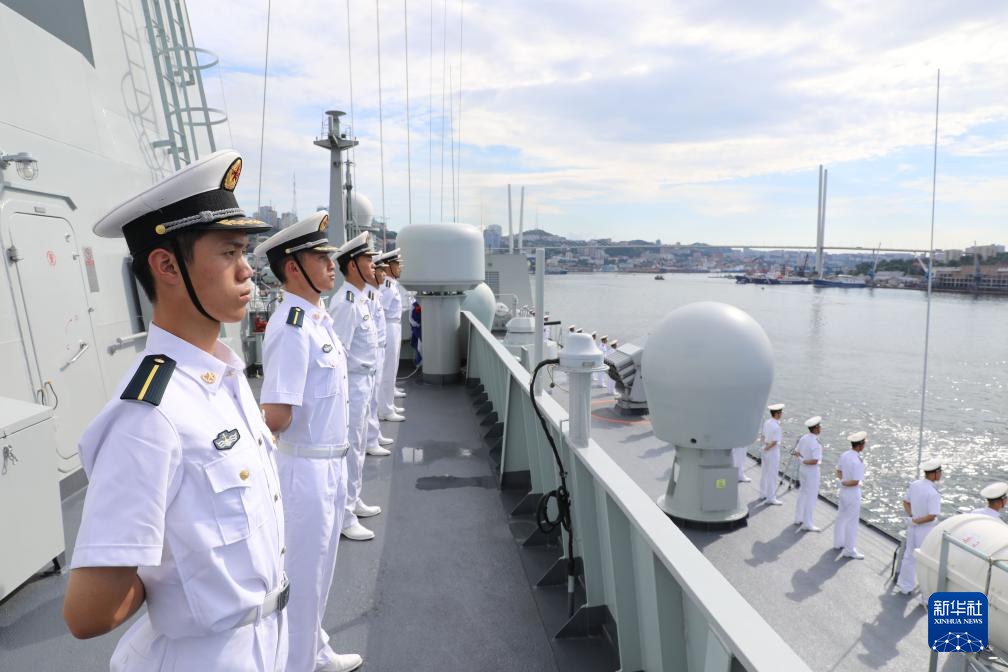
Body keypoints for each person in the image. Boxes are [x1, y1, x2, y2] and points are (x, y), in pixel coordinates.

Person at [62, 151, 289, 671]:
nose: (247, 270)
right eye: (229, 252)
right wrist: (176, 579)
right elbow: (88, 611)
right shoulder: (149, 415)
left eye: (245, 251)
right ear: (166, 266)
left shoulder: (225, 378)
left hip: (266, 642)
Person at [255, 213, 363, 672]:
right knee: (303, 578)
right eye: (321, 258)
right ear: (292, 267)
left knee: (320, 574)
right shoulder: (292, 327)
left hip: (330, 465)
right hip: (305, 472)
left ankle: (314, 651)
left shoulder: (318, 320)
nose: (331, 264)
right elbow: (277, 415)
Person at [327, 232, 382, 542]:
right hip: (354, 384)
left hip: (366, 380)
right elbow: (340, 354)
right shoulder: (346, 303)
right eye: (367, 260)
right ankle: (345, 516)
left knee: (359, 446)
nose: (373, 265)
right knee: (350, 448)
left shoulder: (359, 298)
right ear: (352, 265)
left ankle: (354, 499)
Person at [896, 457, 943, 595]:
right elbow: (932, 516)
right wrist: (916, 520)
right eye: (940, 471)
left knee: (909, 556)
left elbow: (906, 502)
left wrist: (912, 517)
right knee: (925, 561)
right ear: (934, 473)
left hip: (913, 526)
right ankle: (926, 595)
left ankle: (905, 585)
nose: (941, 474)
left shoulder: (915, 484)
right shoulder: (933, 493)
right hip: (926, 529)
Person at [364, 262, 396, 458]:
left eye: (385, 271)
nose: (383, 275)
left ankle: (374, 435)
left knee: (375, 397)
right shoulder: (366, 296)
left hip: (379, 346)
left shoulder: (374, 293)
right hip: (371, 351)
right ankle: (370, 439)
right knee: (371, 397)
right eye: (380, 271)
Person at [376, 249, 406, 415]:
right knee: (388, 367)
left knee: (392, 365)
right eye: (397, 264)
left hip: (394, 325)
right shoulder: (387, 287)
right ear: (389, 267)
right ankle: (385, 409)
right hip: (388, 326)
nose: (400, 268)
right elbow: (381, 311)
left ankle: (389, 400)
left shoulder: (391, 285)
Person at [834, 431, 867, 559]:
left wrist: (841, 482)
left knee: (841, 517)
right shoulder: (858, 460)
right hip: (852, 492)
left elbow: (838, 471)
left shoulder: (845, 455)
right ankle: (849, 550)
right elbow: (855, 481)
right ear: (860, 445)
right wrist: (844, 483)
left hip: (843, 492)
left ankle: (838, 543)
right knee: (852, 521)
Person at [794, 416, 823, 531]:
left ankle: (798, 518)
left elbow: (796, 452)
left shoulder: (804, 438)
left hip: (803, 470)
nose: (821, 428)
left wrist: (802, 460)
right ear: (815, 428)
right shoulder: (816, 442)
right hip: (812, 471)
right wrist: (804, 461)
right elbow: (815, 460)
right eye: (819, 426)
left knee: (802, 493)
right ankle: (808, 523)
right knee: (811, 497)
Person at [759, 404, 785, 505]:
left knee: (764, 473)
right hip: (772, 451)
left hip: (765, 448)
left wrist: (763, 448)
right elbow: (774, 442)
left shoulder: (767, 422)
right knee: (772, 474)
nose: (782, 414)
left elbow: (763, 436)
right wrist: (766, 448)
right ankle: (771, 498)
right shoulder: (777, 426)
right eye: (780, 412)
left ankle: (762, 494)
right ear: (777, 414)